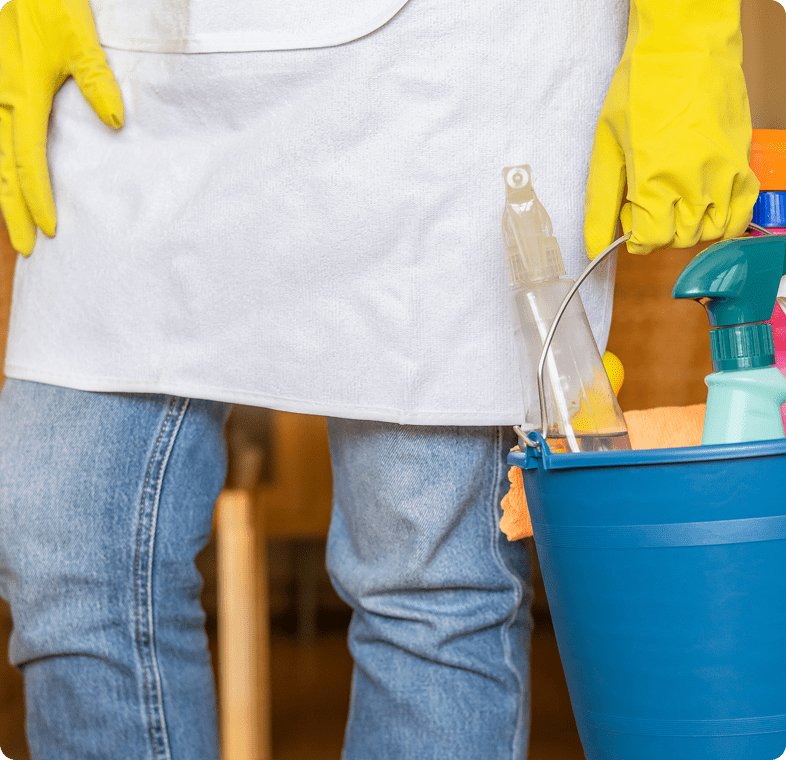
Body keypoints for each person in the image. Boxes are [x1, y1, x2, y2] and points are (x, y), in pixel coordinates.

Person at [0, 0, 758, 757]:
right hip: (136, 45)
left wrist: (688, 29)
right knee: (69, 559)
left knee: (426, 583)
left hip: (461, 48)